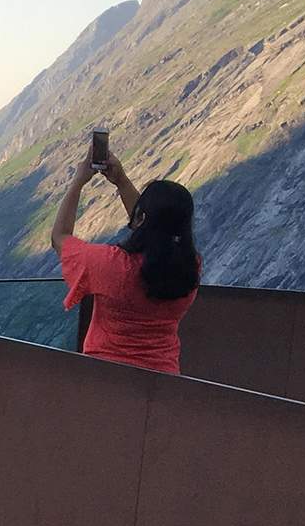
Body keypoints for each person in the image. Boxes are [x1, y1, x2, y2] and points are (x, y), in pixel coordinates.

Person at [51, 147, 201, 373]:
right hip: (164, 379)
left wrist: (78, 182)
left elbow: (59, 237)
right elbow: (157, 229)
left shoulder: (110, 264)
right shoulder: (190, 267)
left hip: (105, 375)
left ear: (141, 217)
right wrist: (121, 181)